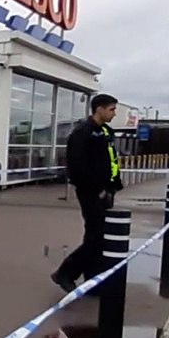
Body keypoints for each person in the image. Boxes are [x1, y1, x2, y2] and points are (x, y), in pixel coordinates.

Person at [52, 94, 125, 293]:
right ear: (99, 109)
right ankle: (65, 272)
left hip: (106, 190)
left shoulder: (106, 131)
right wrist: (97, 189)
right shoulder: (82, 132)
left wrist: (114, 185)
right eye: (111, 109)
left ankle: (92, 280)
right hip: (91, 191)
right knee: (96, 236)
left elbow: (111, 160)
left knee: (99, 236)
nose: (114, 113)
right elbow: (76, 166)